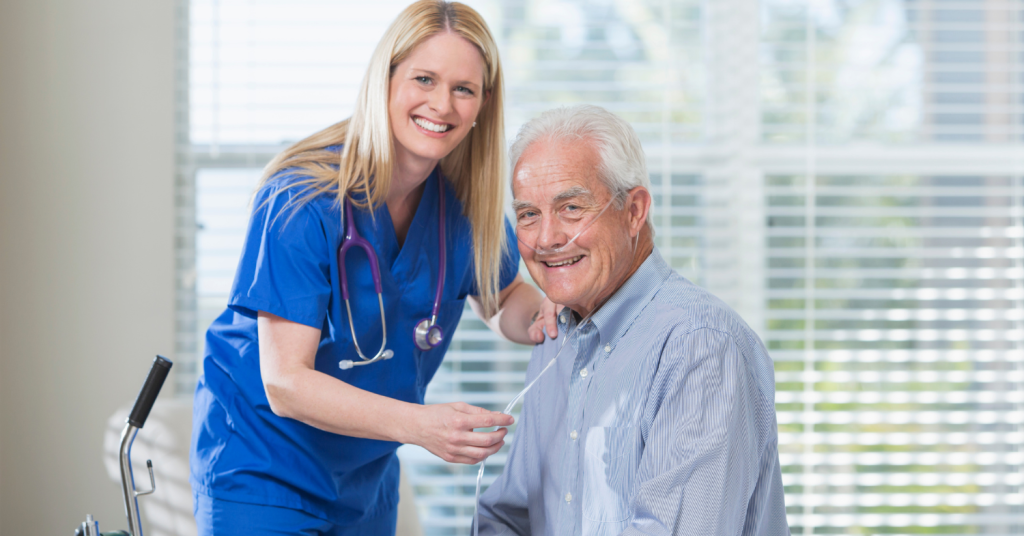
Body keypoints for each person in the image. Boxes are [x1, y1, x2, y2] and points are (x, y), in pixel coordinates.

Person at [189, 2, 556, 534]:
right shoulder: (302, 199)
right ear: (384, 80)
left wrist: (546, 316)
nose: (441, 104)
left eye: (463, 88)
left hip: (365, 477)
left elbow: (503, 297)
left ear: (483, 103)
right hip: (262, 468)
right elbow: (285, 382)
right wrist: (422, 426)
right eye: (424, 79)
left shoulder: (462, 205)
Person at [476, 105, 790, 535]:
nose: (546, 239)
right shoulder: (555, 337)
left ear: (634, 211)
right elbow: (509, 517)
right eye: (529, 214)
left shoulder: (702, 347)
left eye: (571, 207)